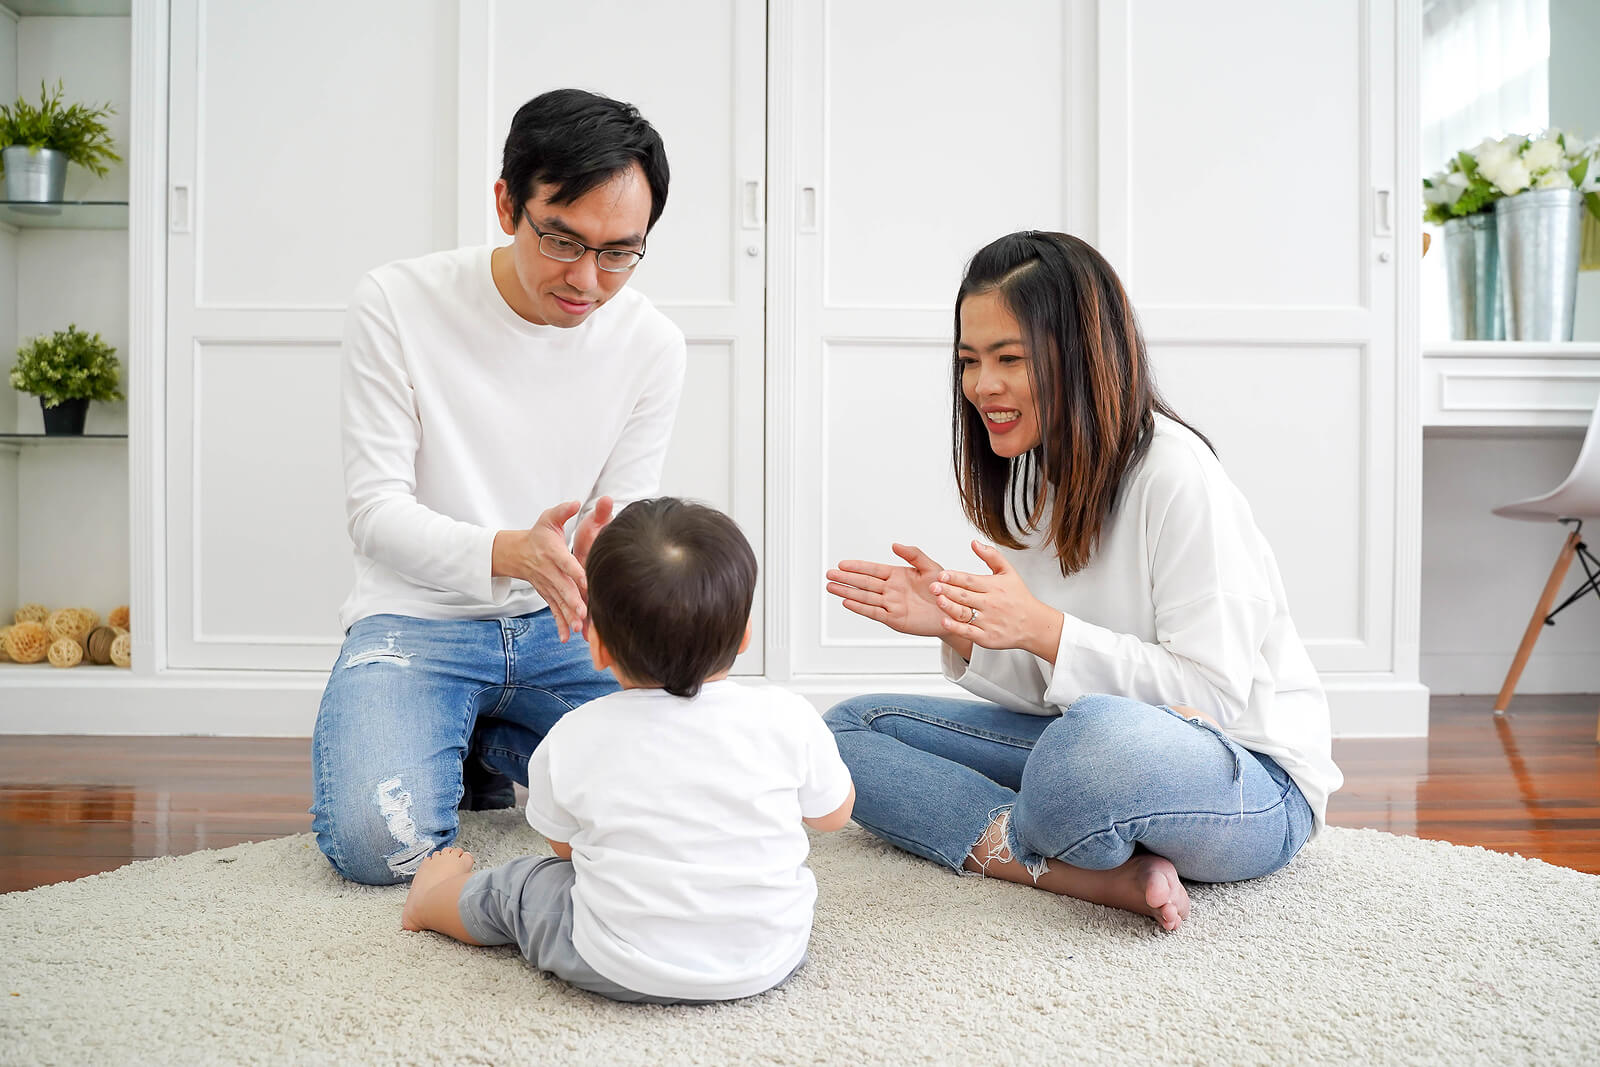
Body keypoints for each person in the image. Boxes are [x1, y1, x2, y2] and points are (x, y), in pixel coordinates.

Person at [822, 231, 1342, 932]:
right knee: (846, 730)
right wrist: (960, 624)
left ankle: (1035, 828)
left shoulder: (1177, 476)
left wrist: (1042, 628)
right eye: (970, 361)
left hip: (1249, 778)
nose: (982, 386)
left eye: (1010, 359)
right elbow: (1051, 688)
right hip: (1088, 747)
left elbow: (1212, 696)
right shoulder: (1038, 474)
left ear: (1084, 354)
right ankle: (1087, 871)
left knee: (1090, 746)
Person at [311, 89, 687, 886]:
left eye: (620, 251)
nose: (589, 279)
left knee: (670, 806)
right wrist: (509, 550)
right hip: (415, 619)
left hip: (560, 628)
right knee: (381, 845)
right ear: (506, 203)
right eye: (563, 240)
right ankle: (464, 728)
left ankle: (480, 738)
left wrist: (617, 564)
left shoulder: (652, 342)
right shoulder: (397, 302)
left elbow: (624, 515)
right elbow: (374, 514)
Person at [399, 498, 856, 1004]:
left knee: (521, 886)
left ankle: (428, 901)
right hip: (770, 957)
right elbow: (833, 817)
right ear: (745, 635)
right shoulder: (788, 716)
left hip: (615, 963)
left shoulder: (576, 734)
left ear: (596, 648)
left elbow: (566, 850)